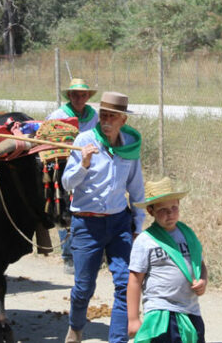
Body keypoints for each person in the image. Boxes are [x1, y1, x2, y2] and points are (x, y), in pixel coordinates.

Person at [62, 91, 146, 343]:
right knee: (84, 287)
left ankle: (118, 340)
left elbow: (136, 188)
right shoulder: (85, 140)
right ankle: (75, 328)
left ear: (123, 120)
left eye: (112, 117)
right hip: (87, 223)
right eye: (104, 115)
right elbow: (67, 183)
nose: (106, 121)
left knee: (125, 284)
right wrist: (83, 164)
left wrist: (138, 226)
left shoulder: (130, 145)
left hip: (119, 222)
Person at [127, 177, 207, 343]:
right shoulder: (145, 240)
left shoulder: (188, 235)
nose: (170, 213)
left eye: (174, 207)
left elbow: (200, 264)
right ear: (151, 211)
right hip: (161, 312)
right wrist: (133, 319)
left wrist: (203, 280)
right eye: (163, 209)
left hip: (190, 310)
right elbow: (134, 281)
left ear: (179, 204)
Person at [47, 78, 99, 273]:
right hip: (64, 166)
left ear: (88, 97)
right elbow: (46, 139)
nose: (79, 98)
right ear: (69, 96)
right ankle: (68, 255)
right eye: (75, 95)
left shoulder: (93, 116)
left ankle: (91, 250)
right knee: (66, 209)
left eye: (83, 95)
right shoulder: (57, 115)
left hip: (90, 166)